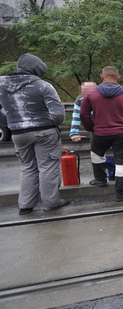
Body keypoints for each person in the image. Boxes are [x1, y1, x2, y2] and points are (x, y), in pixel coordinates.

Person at [0, 54, 69, 214]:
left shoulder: (2, 84)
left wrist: (12, 120)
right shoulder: (43, 86)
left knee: (27, 167)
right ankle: (51, 202)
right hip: (44, 131)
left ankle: (25, 205)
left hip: (18, 133)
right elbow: (58, 115)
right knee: (47, 166)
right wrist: (48, 123)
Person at [80, 66, 123, 202]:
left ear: (102, 77)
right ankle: (121, 193)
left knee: (96, 155)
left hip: (100, 133)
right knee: (122, 163)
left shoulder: (91, 94)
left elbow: (83, 113)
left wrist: (91, 128)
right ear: (118, 78)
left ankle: (100, 179)